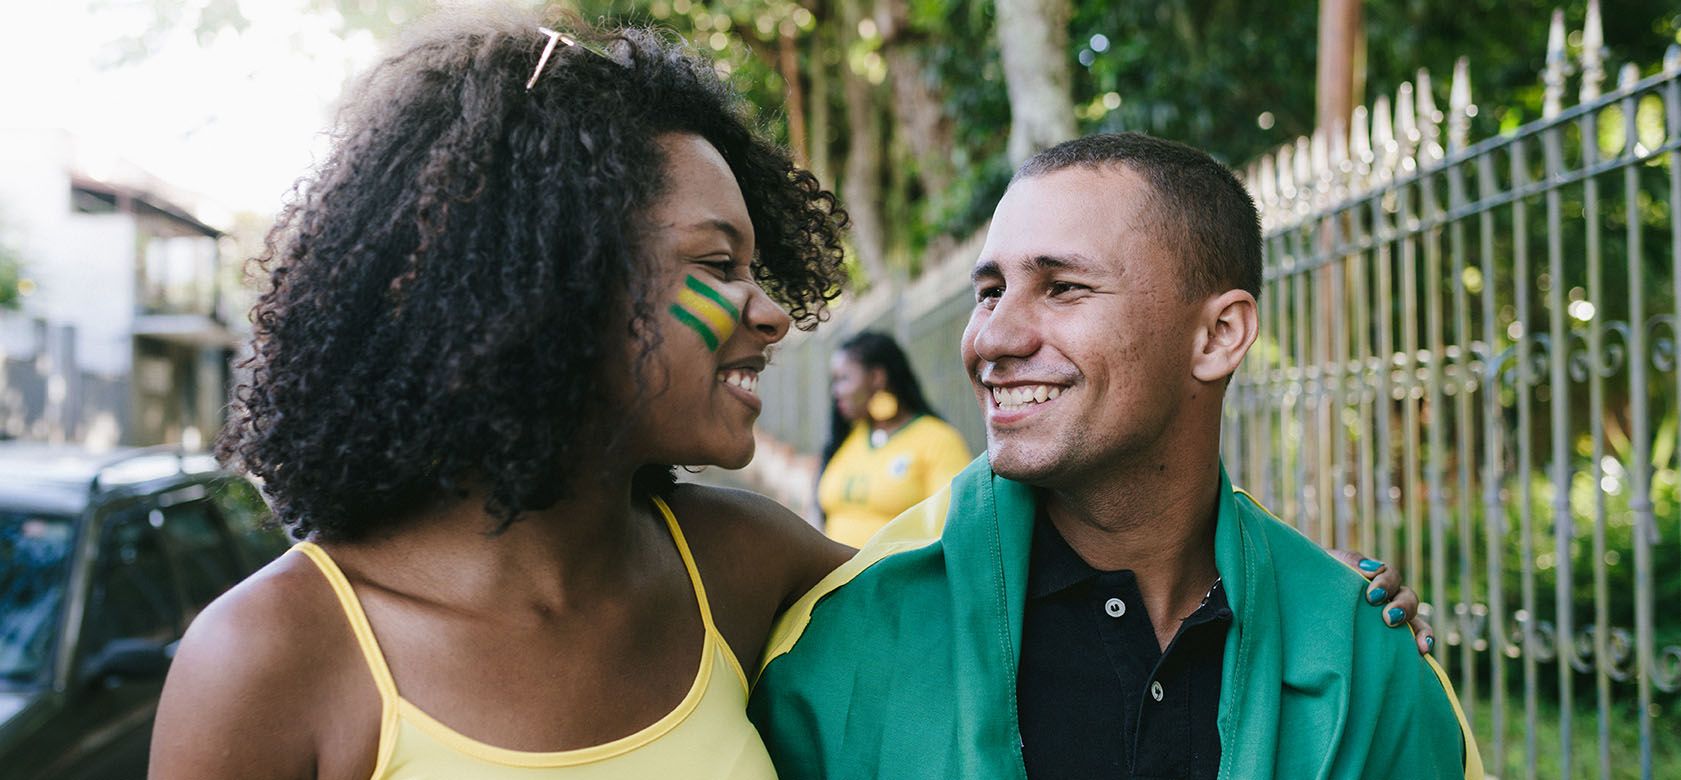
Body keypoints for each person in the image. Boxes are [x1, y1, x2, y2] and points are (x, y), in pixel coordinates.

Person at [149, 11, 857, 778]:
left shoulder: (742, 565)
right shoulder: (267, 658)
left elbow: (985, 601)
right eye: (719, 266)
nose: (772, 313)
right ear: (557, 284)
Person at [748, 133, 1482, 779]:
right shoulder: (850, 649)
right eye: (989, 291)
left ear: (1218, 335)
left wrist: (1321, 605)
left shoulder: (1359, 655)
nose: (993, 340)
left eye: (1062, 287)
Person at [817, 331, 971, 546]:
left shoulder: (938, 439)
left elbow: (956, 527)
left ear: (877, 378)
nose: (836, 391)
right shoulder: (848, 437)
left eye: (844, 379)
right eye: (834, 381)